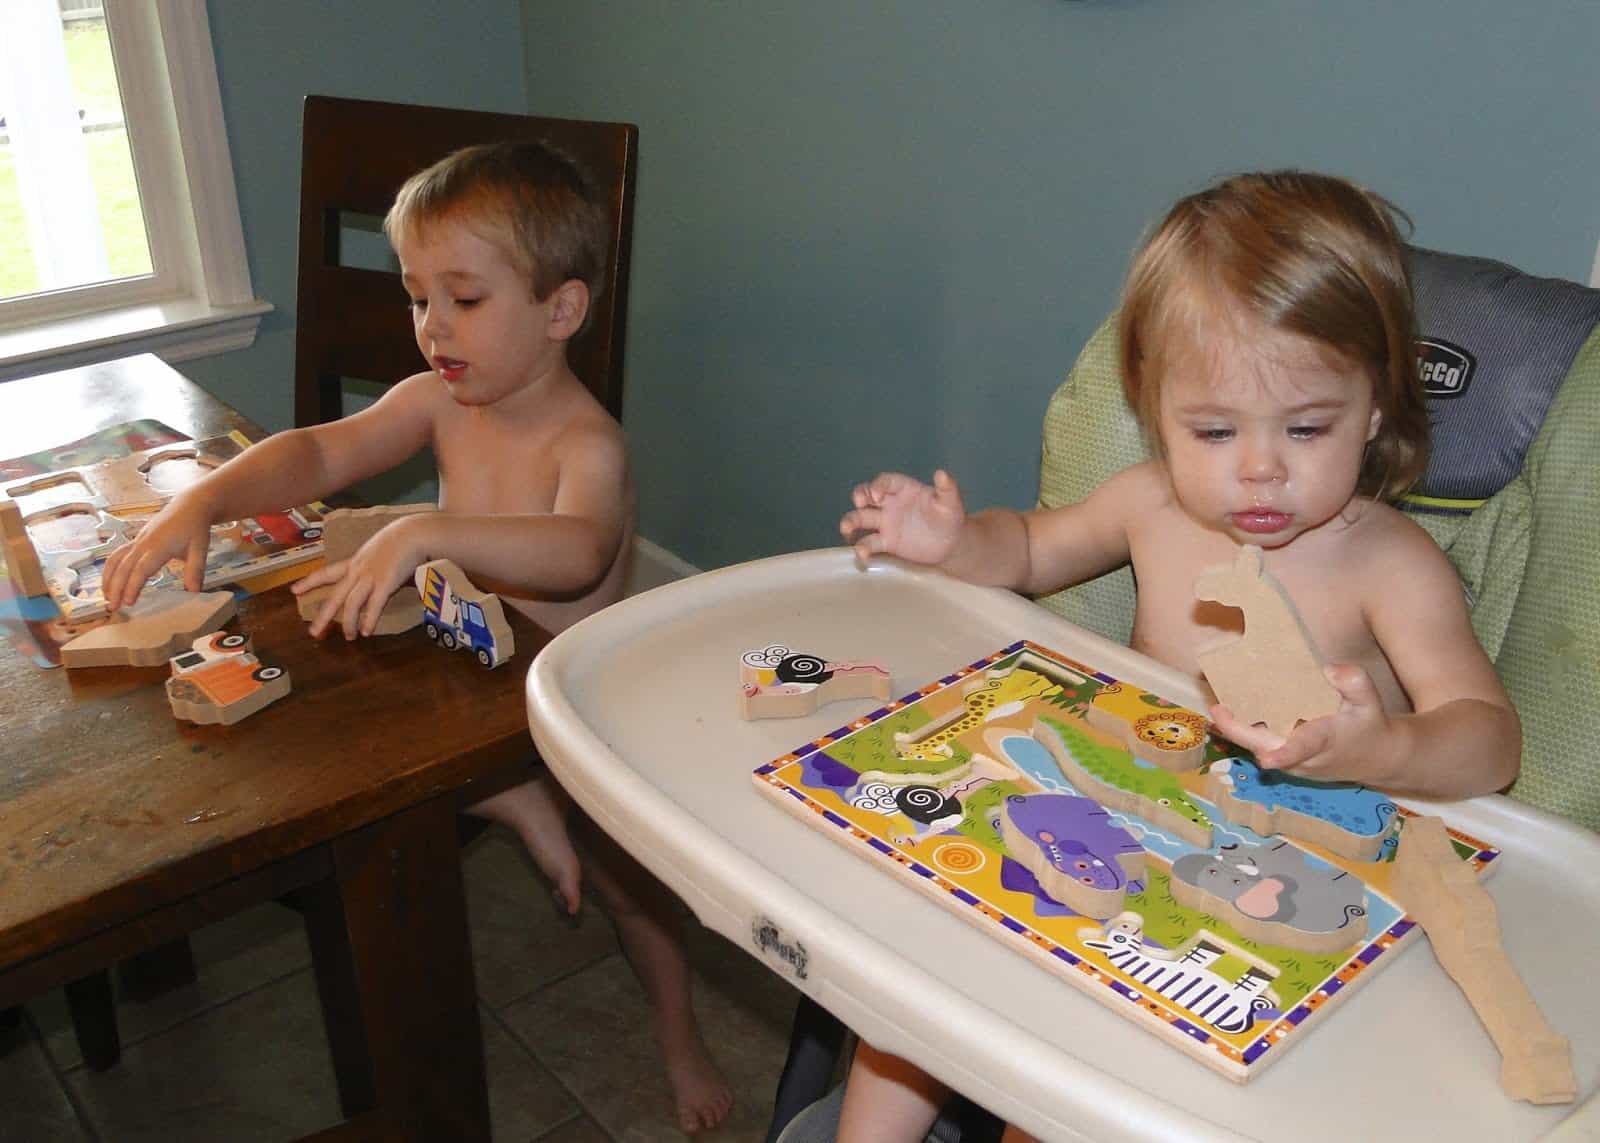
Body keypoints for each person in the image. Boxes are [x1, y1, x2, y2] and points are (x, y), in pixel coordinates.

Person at [833, 170, 1521, 1142]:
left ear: (1374, 409)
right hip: (1107, 798)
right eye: (1211, 430)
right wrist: (954, 544)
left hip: (1264, 868)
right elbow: (1028, 549)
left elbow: (1488, 743)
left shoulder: (1389, 565)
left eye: (1306, 427)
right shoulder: (1149, 502)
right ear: (1154, 409)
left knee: (1075, 1075)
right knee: (917, 988)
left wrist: (1377, 747)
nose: (1258, 468)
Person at [101, 141, 733, 1134]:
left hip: (577, 706)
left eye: (465, 299)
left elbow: (576, 552)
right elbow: (319, 450)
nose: (432, 326)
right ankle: (505, 795)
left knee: (635, 895)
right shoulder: (437, 398)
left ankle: (677, 1033)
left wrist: (425, 527)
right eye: (417, 296)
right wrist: (209, 496)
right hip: (473, 675)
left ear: (560, 311)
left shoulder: (585, 441)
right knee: (346, 728)